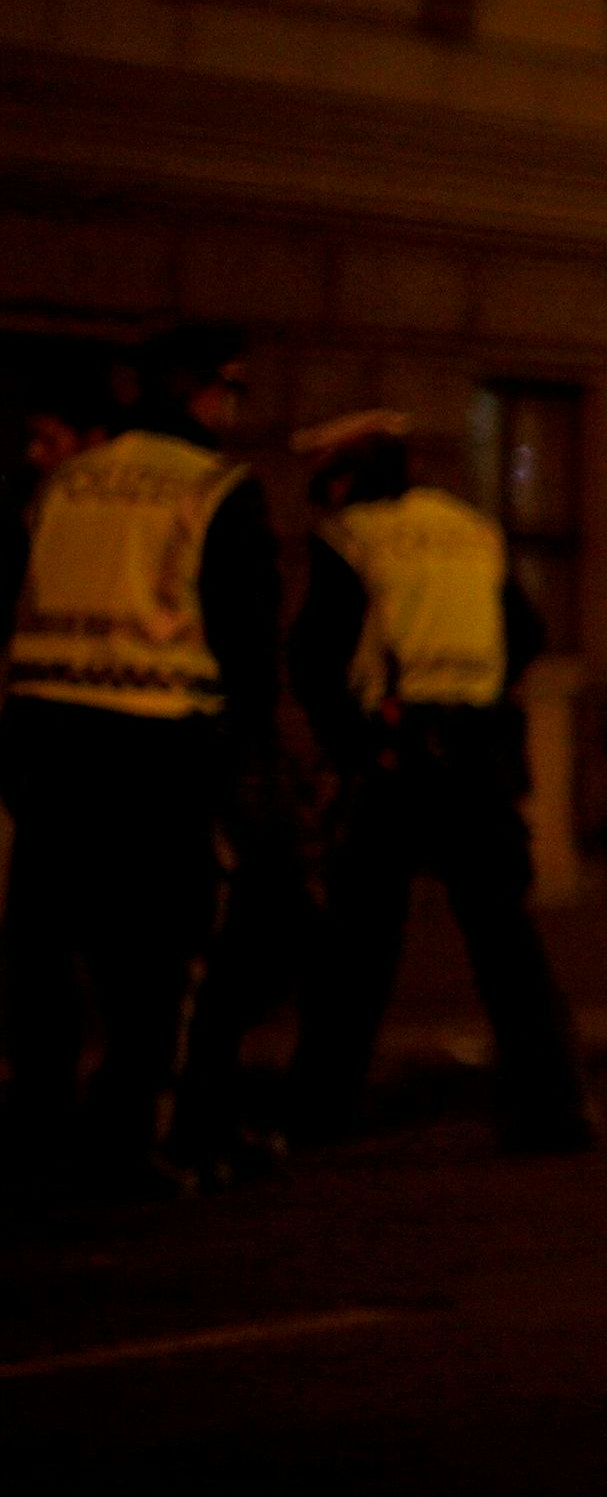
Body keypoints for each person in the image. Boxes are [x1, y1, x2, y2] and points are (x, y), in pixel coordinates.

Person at [2, 323, 282, 1204]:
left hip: (49, 743)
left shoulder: (64, 483)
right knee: (157, 962)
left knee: (44, 955)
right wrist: (250, 759)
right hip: (162, 752)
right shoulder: (214, 488)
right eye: (230, 390)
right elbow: (247, 642)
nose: (231, 409)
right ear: (202, 392)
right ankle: (129, 1142)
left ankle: (37, 1134)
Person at [282, 411, 592, 1155]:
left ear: (345, 479)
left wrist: (350, 748)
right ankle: (554, 1107)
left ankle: (319, 1110)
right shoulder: (471, 529)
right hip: (477, 755)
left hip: (397, 757)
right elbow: (526, 632)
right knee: (505, 941)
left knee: (358, 945)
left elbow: (316, 659)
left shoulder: (352, 538)